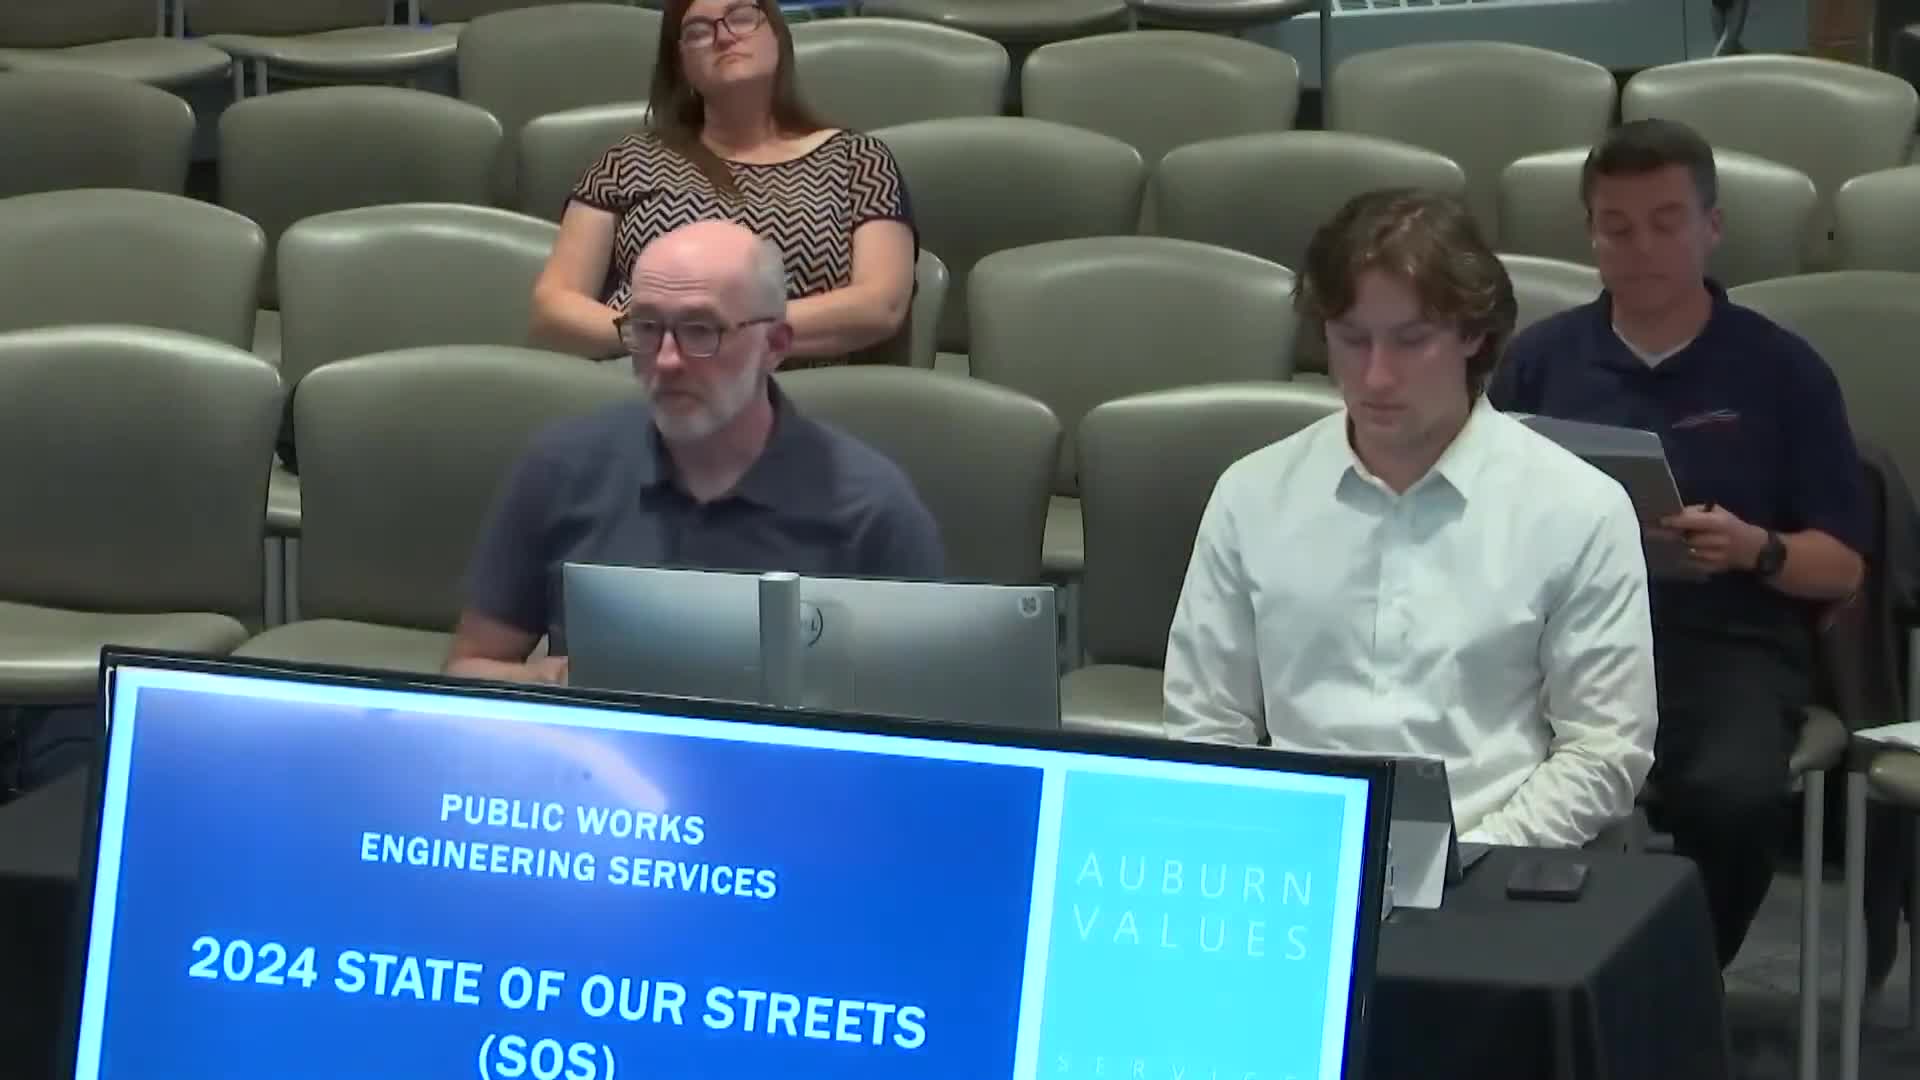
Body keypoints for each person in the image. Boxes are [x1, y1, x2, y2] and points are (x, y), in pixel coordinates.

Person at [1162, 188, 1657, 849]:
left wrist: (1473, 861)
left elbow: (1604, 748)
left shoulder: (1581, 507)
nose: (1375, 377)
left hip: (1497, 852)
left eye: (1411, 340)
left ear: (1473, 334)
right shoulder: (1251, 494)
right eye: (1351, 339)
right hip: (1294, 856)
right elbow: (1206, 722)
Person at [1489, 119, 1868, 967]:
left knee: (1732, 797)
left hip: (1725, 638)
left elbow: (1842, 565)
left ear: (1712, 227)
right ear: (1591, 235)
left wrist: (1754, 548)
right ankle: (1518, 978)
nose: (1641, 248)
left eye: (1666, 223)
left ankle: (1676, 980)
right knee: (1460, 754)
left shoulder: (1783, 370)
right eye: (1616, 227)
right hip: (1559, 633)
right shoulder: (1540, 362)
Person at [449, 221, 944, 685]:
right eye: (646, 327)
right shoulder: (562, 468)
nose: (666, 360)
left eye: (701, 330)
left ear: (775, 345)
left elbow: (924, 713)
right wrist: (552, 684)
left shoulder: (871, 509)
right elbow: (470, 666)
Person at [531, 0, 916, 368]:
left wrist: (727, 332)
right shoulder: (627, 160)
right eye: (698, 30)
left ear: (777, 35)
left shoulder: (858, 160)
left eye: (742, 16)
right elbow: (552, 309)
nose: (724, 36)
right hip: (644, 378)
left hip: (798, 390)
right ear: (681, 63)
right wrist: (657, 336)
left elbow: (881, 305)